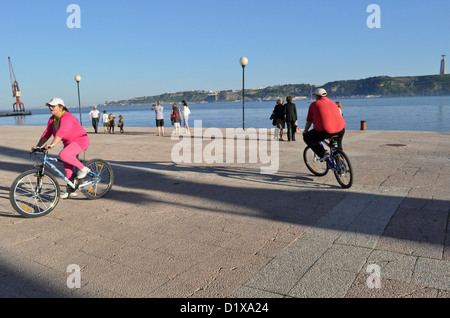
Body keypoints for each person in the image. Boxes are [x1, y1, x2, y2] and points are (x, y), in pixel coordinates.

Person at [33, 98, 90, 199]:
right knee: (67, 168)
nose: (50, 107)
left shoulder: (68, 117)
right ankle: (70, 190)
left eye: (53, 106)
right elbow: (46, 134)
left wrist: (52, 144)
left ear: (61, 107)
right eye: (49, 106)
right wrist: (38, 146)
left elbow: (61, 132)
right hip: (68, 143)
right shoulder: (52, 119)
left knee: (63, 155)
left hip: (80, 141)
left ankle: (83, 169)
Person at [302, 88, 346, 160]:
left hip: (326, 131)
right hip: (341, 129)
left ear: (316, 96)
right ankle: (340, 160)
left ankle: (323, 153)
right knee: (338, 146)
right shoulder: (332, 102)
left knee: (307, 137)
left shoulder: (314, 104)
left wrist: (305, 131)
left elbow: (309, 121)